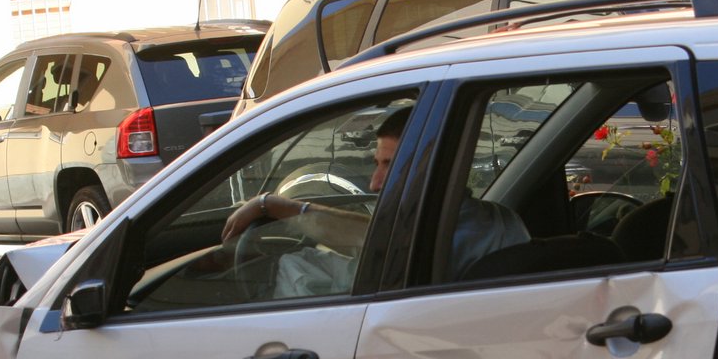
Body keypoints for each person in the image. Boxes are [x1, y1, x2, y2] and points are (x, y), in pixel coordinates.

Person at [220, 105, 528, 291]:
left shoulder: (427, 236)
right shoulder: (499, 219)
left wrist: (273, 207)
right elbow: (373, 235)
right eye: (376, 164)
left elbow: (372, 239)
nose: (376, 183)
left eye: (390, 166)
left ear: (432, 165)